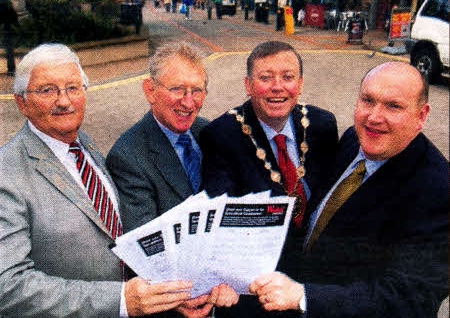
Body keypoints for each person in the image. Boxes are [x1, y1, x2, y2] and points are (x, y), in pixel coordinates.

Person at [0, 43, 202, 317]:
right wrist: (119, 300)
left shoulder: (82, 143)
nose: (64, 101)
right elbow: (8, 287)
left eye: (73, 88)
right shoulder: (7, 172)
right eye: (47, 90)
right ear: (22, 102)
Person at [250, 62, 448, 317]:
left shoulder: (439, 190)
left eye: (393, 106)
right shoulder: (354, 140)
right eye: (368, 100)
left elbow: (410, 299)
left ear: (421, 115)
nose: (374, 117)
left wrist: (304, 297)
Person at [200, 41, 338, 316]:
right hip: (258, 289)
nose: (277, 87)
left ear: (299, 84)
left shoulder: (323, 125)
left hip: (314, 283)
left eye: (287, 77)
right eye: (265, 78)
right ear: (248, 85)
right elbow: (224, 224)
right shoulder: (221, 136)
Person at [106, 42, 238, 316]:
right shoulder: (128, 155)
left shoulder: (209, 132)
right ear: (150, 91)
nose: (188, 102)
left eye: (196, 91)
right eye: (177, 89)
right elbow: (146, 247)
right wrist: (181, 297)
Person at [0, 0, 18, 76]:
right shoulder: (7, 2)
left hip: (5, 26)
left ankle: (11, 69)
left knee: (9, 48)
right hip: (7, 27)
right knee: (9, 49)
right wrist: (15, 24)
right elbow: (13, 15)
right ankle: (11, 69)